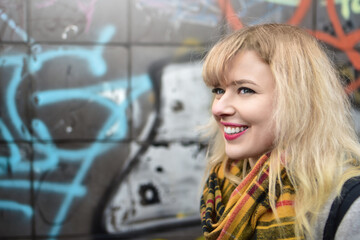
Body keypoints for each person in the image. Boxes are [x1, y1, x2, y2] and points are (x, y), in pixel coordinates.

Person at [200, 23, 360, 240]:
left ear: (297, 99)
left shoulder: (347, 204)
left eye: (245, 90)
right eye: (219, 90)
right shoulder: (222, 184)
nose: (218, 108)